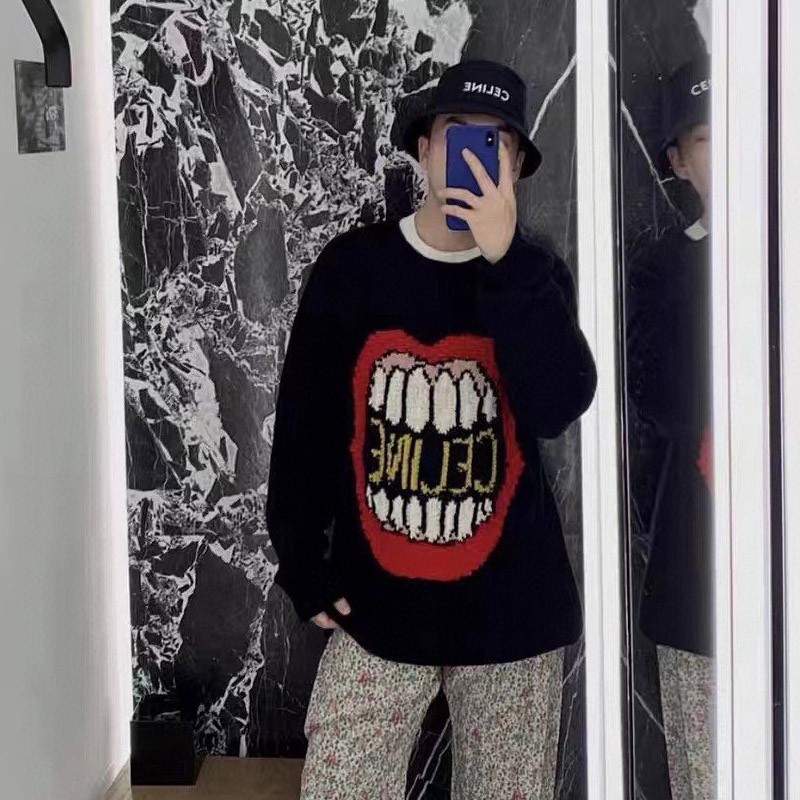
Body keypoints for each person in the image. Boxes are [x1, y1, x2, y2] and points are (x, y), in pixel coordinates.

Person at [266, 59, 597, 799]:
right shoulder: (353, 270)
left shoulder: (536, 275)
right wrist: (302, 559)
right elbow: (306, 427)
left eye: (494, 141)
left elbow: (557, 405)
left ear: (516, 166)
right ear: (423, 150)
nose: (473, 155)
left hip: (513, 615)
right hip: (377, 603)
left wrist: (505, 259)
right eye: (456, 135)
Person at [626, 56, 715, 800]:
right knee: (705, 774)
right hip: (698, 569)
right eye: (707, 138)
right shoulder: (662, 269)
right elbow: (659, 401)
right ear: (678, 161)